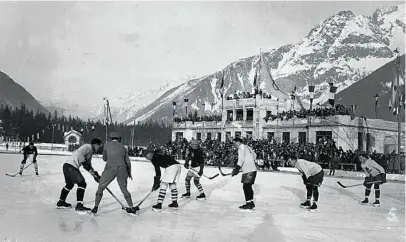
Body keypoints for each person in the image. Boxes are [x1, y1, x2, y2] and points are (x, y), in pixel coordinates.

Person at [91, 132, 137, 215]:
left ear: (111, 138)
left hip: (110, 168)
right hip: (122, 169)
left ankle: (96, 206)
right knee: (124, 188)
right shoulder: (123, 147)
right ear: (119, 139)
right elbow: (128, 162)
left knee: (101, 186)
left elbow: (104, 159)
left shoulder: (106, 145)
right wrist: (129, 173)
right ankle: (131, 207)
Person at [56, 138, 103, 213]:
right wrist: (85, 163)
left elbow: (88, 165)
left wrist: (95, 175)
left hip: (67, 166)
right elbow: (81, 155)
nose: (99, 148)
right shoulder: (88, 147)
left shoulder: (90, 151)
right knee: (82, 183)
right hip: (71, 166)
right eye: (99, 146)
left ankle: (61, 202)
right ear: (95, 144)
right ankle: (79, 205)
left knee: (70, 184)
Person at [231, 137, 258, 210]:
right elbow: (255, 156)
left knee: (246, 187)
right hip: (252, 169)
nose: (234, 145)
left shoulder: (241, 148)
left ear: (238, 142)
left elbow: (241, 159)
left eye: (234, 143)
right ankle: (251, 203)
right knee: (248, 186)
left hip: (248, 170)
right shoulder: (247, 147)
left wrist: (236, 169)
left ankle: (248, 204)